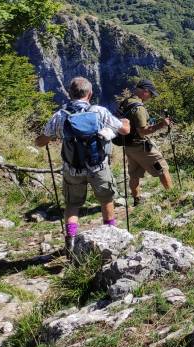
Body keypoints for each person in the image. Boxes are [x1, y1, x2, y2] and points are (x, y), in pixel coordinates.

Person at [34, 77, 131, 250]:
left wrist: (40, 139)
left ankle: (70, 241)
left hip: (72, 169)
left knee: (72, 205)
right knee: (106, 199)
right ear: (90, 93)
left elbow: (41, 142)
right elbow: (124, 130)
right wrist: (125, 122)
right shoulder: (99, 111)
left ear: (69, 94)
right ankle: (111, 236)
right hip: (98, 167)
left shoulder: (60, 115)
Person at [119, 79, 174, 206]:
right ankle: (173, 195)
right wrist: (162, 124)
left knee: (134, 174)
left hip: (128, 146)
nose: (151, 97)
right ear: (145, 91)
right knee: (162, 167)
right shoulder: (139, 108)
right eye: (151, 94)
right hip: (141, 147)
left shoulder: (126, 102)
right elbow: (143, 131)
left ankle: (137, 200)